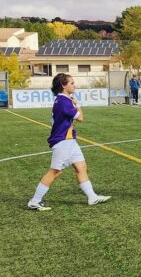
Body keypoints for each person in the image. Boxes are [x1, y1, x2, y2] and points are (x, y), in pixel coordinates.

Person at [26, 73, 111, 211]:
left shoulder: (63, 99)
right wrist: (78, 104)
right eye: (71, 83)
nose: (74, 85)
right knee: (55, 171)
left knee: (81, 167)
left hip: (69, 140)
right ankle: (34, 201)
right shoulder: (64, 101)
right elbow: (81, 118)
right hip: (63, 141)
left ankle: (92, 197)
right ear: (63, 86)